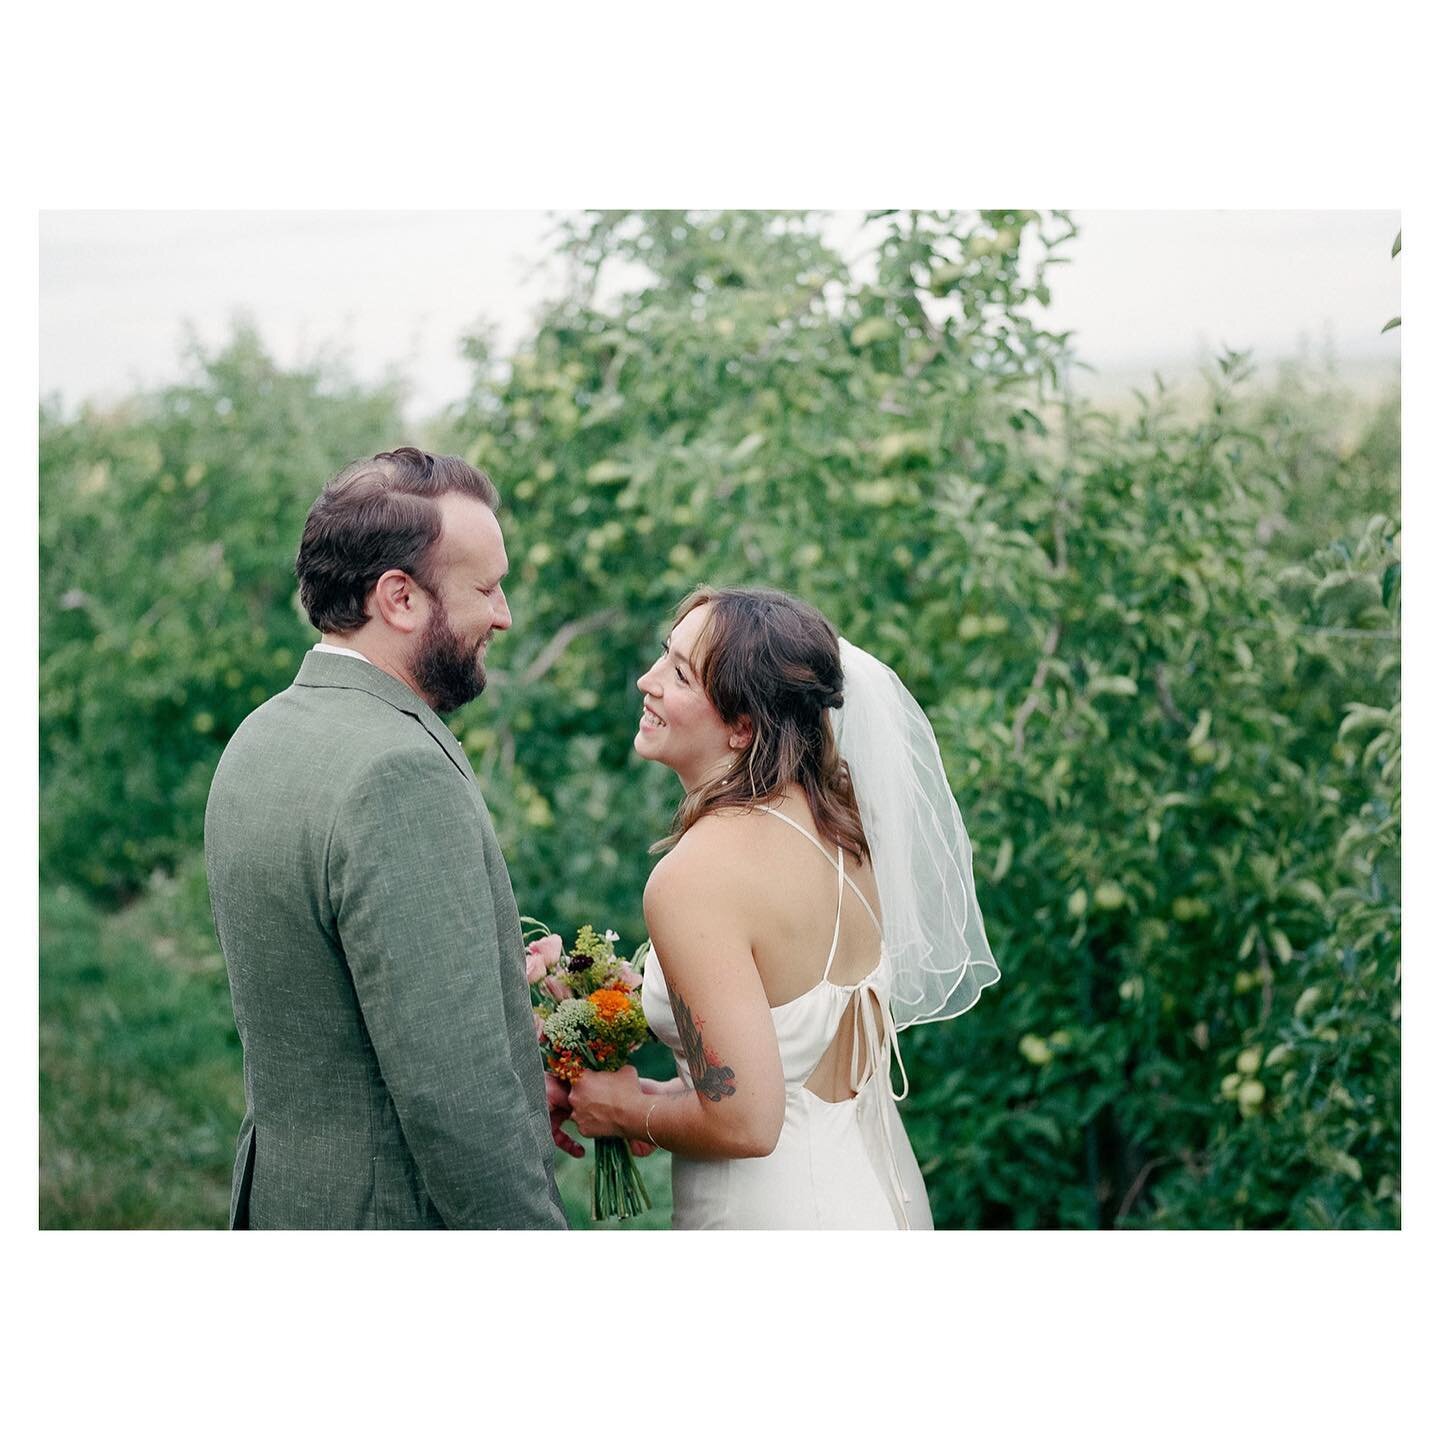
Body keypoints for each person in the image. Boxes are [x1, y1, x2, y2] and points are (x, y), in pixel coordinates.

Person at [204, 447, 568, 1229]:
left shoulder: (262, 735)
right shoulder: (399, 771)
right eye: (485, 587)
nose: (503, 614)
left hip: (287, 1199)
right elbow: (456, 1100)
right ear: (399, 598)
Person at [566, 586, 1000, 1228]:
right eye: (665, 655)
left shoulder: (695, 877)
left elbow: (746, 1122)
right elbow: (790, 1068)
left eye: (680, 674)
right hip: (879, 1200)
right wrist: (665, 1098)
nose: (646, 681)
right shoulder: (845, 829)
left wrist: (627, 1111)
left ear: (743, 727)